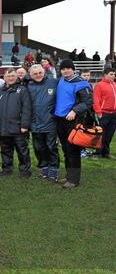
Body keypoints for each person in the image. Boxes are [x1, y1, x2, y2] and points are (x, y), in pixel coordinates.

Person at [54, 59, 93, 188]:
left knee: (73, 151)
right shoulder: (61, 80)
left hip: (73, 121)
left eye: (68, 68)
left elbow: (87, 102)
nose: (65, 71)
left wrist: (74, 111)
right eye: (63, 68)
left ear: (73, 69)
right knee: (65, 149)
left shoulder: (81, 83)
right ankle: (68, 176)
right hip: (60, 120)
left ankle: (74, 180)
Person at [0, 68, 32, 177]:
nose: (10, 78)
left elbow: (27, 108)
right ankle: (7, 168)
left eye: (13, 76)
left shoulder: (22, 90)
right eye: (8, 76)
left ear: (17, 77)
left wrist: (24, 125)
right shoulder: (0, 91)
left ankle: (24, 170)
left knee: (22, 150)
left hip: (18, 127)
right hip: (3, 127)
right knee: (5, 150)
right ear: (4, 78)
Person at [27, 64, 59, 180]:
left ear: (44, 72)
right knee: (38, 148)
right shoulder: (28, 85)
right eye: (35, 74)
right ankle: (44, 170)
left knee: (51, 147)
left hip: (50, 122)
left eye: (40, 73)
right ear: (30, 75)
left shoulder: (53, 82)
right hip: (35, 123)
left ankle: (54, 171)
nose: (38, 75)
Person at [92, 67, 116, 158]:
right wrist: (98, 112)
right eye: (111, 74)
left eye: (114, 74)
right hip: (103, 113)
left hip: (113, 114)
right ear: (105, 75)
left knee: (110, 134)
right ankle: (97, 152)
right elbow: (96, 100)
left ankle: (106, 153)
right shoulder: (99, 85)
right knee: (100, 134)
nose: (113, 76)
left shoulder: (114, 84)